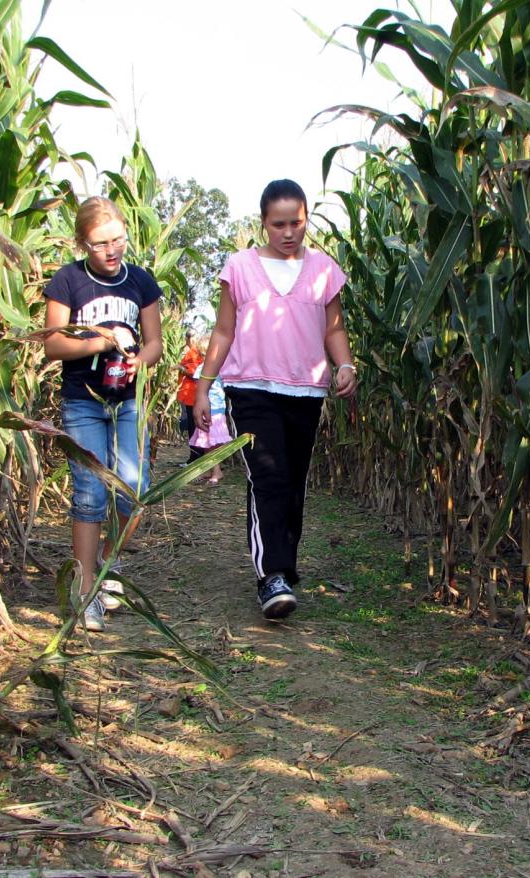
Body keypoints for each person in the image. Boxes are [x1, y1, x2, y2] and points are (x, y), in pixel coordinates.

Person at [194, 179, 356, 619]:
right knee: (268, 477)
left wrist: (345, 365)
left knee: (295, 482)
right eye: (278, 224)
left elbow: (333, 328)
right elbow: (224, 330)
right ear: (263, 223)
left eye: (297, 224)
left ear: (306, 222)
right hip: (250, 388)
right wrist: (203, 387)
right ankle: (272, 576)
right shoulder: (240, 268)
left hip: (305, 390)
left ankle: (284, 562)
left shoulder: (324, 270)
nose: (288, 233)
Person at [43, 196, 163, 632]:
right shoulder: (68, 281)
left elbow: (155, 343)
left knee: (134, 487)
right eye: (100, 244)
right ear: (82, 243)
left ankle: (105, 561)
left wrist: (139, 361)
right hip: (83, 400)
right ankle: (86, 591)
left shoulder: (141, 281)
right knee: (90, 492)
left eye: (118, 240)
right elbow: (53, 343)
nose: (112, 251)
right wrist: (100, 341)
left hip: (128, 398)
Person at [188, 361, 229, 484]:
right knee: (210, 442)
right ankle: (209, 469)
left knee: (212, 442)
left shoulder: (202, 368)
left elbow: (197, 384)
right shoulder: (221, 367)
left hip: (209, 409)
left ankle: (217, 471)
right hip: (219, 408)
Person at [176, 330, 204, 465]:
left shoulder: (195, 352)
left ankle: (195, 458)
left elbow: (194, 372)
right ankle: (194, 457)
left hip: (193, 394)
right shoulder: (193, 351)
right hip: (189, 394)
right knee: (193, 427)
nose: (190, 341)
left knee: (194, 427)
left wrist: (180, 368)